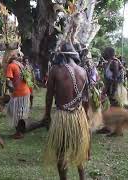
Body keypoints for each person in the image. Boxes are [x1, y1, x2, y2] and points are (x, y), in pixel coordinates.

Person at [43, 42, 90, 180]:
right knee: (79, 149)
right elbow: (86, 98)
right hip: (79, 115)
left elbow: (49, 95)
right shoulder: (83, 71)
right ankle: (82, 177)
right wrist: (85, 116)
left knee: (61, 152)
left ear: (61, 55)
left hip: (62, 116)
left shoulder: (55, 70)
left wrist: (47, 115)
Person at [6, 52, 31, 139]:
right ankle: (21, 130)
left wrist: (10, 89)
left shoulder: (11, 66)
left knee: (14, 112)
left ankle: (19, 132)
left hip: (18, 93)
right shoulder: (20, 64)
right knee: (20, 113)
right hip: (26, 91)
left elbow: (8, 81)